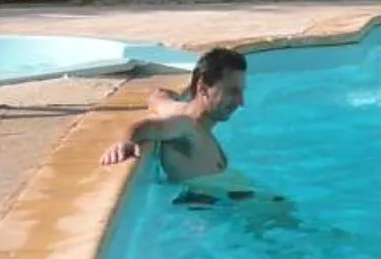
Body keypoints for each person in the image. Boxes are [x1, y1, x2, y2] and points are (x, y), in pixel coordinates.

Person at [99, 46, 263, 202]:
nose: (241, 102)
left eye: (241, 92)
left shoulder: (181, 114)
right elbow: (145, 127)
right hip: (210, 212)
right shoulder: (185, 127)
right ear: (203, 89)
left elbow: (158, 97)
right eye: (232, 91)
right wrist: (126, 141)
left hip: (225, 202)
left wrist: (167, 97)